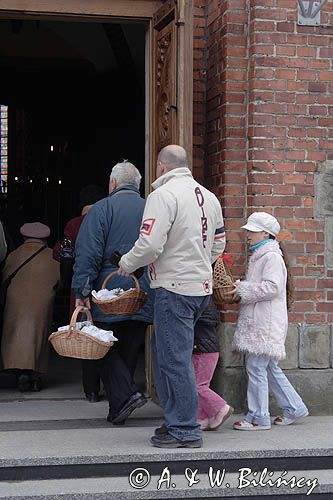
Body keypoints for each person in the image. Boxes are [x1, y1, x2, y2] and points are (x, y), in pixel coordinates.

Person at [117, 145, 226, 448]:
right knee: (168, 356)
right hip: (200, 288)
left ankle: (185, 427)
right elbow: (219, 245)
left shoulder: (162, 195)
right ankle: (178, 420)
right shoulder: (210, 197)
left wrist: (127, 264)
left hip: (174, 287)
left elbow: (150, 244)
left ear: (161, 167)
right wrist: (200, 264)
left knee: (174, 360)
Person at [72, 161, 154, 424]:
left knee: (103, 347)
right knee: (129, 348)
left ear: (112, 184)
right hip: (143, 290)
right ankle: (119, 405)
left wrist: (81, 290)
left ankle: (126, 395)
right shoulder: (152, 208)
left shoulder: (102, 209)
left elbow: (87, 253)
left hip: (108, 291)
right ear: (137, 185)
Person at [231, 212, 308, 430]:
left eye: (252, 230)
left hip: (265, 323)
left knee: (256, 367)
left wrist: (243, 289)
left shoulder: (270, 257)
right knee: (269, 367)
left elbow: (272, 287)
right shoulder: (264, 255)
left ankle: (258, 417)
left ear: (266, 233)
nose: (247, 234)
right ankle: (294, 407)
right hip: (263, 321)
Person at [53, 185, 104, 403]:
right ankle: (117, 386)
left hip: (82, 288)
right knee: (109, 336)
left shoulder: (73, 225)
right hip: (107, 287)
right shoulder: (105, 219)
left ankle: (91, 390)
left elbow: (61, 252)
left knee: (87, 337)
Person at [1, 222, 59, 391]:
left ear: (24, 237)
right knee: (38, 336)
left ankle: (18, 371)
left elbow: (5, 275)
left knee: (15, 336)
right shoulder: (52, 256)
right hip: (42, 302)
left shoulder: (14, 255)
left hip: (16, 302)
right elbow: (60, 280)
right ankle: (33, 374)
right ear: (45, 239)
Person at [192, 297, 233, 431]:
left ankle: (221, 408)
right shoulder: (210, 309)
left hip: (201, 350)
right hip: (208, 350)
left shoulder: (199, 309)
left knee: (198, 386)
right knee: (200, 384)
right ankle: (202, 418)